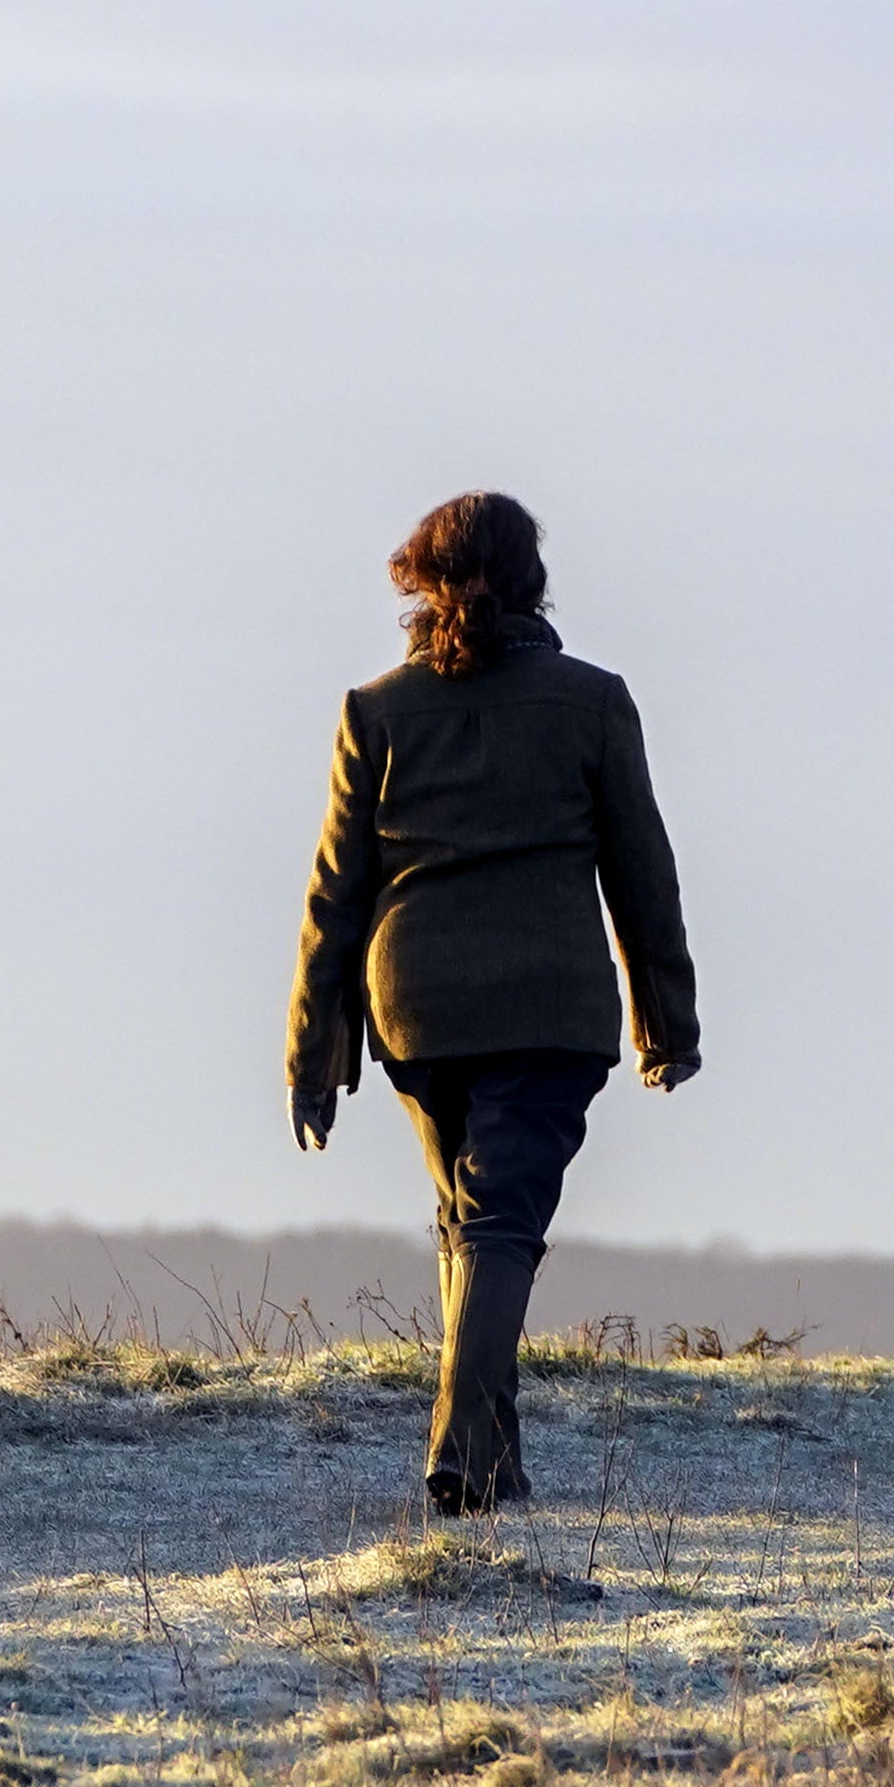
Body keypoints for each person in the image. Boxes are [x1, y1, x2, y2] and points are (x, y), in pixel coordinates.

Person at [286, 492, 699, 1515]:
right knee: (499, 1222)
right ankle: (467, 1453)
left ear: (419, 585)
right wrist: (667, 1024)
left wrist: (312, 1056)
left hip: (416, 1015)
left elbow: (334, 896)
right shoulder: (593, 701)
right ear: (533, 580)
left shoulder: (374, 711)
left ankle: (494, 1462)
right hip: (548, 1008)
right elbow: (644, 874)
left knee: (471, 1221)